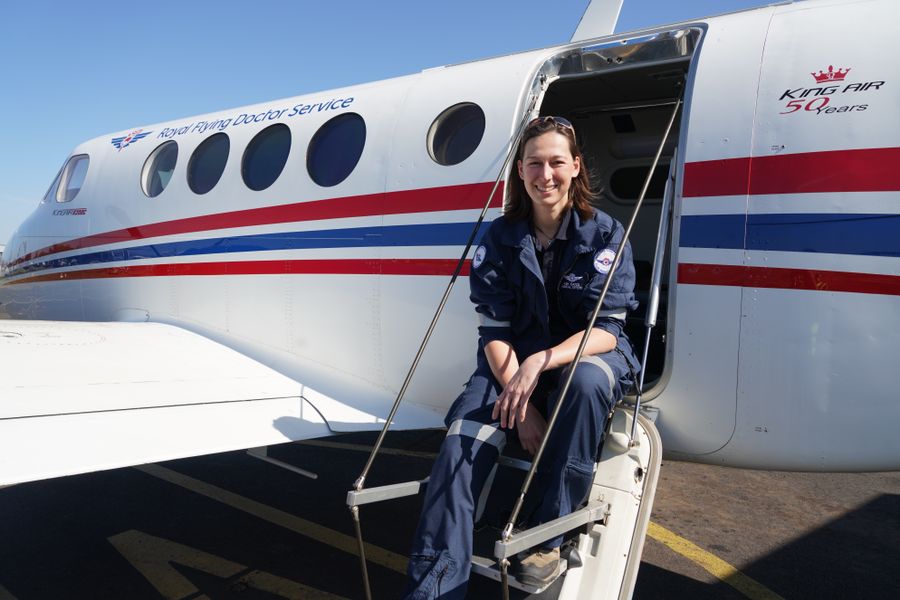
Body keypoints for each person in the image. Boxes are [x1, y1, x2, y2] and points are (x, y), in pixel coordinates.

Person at [403, 116, 640, 599]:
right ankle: (435, 588)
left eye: (557, 162)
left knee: (588, 381)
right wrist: (526, 406)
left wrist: (540, 363)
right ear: (520, 170)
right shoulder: (499, 238)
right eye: (535, 163)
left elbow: (608, 332)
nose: (545, 174)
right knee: (460, 444)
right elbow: (494, 331)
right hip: (509, 360)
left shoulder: (606, 233)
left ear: (575, 167)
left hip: (578, 356)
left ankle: (548, 535)